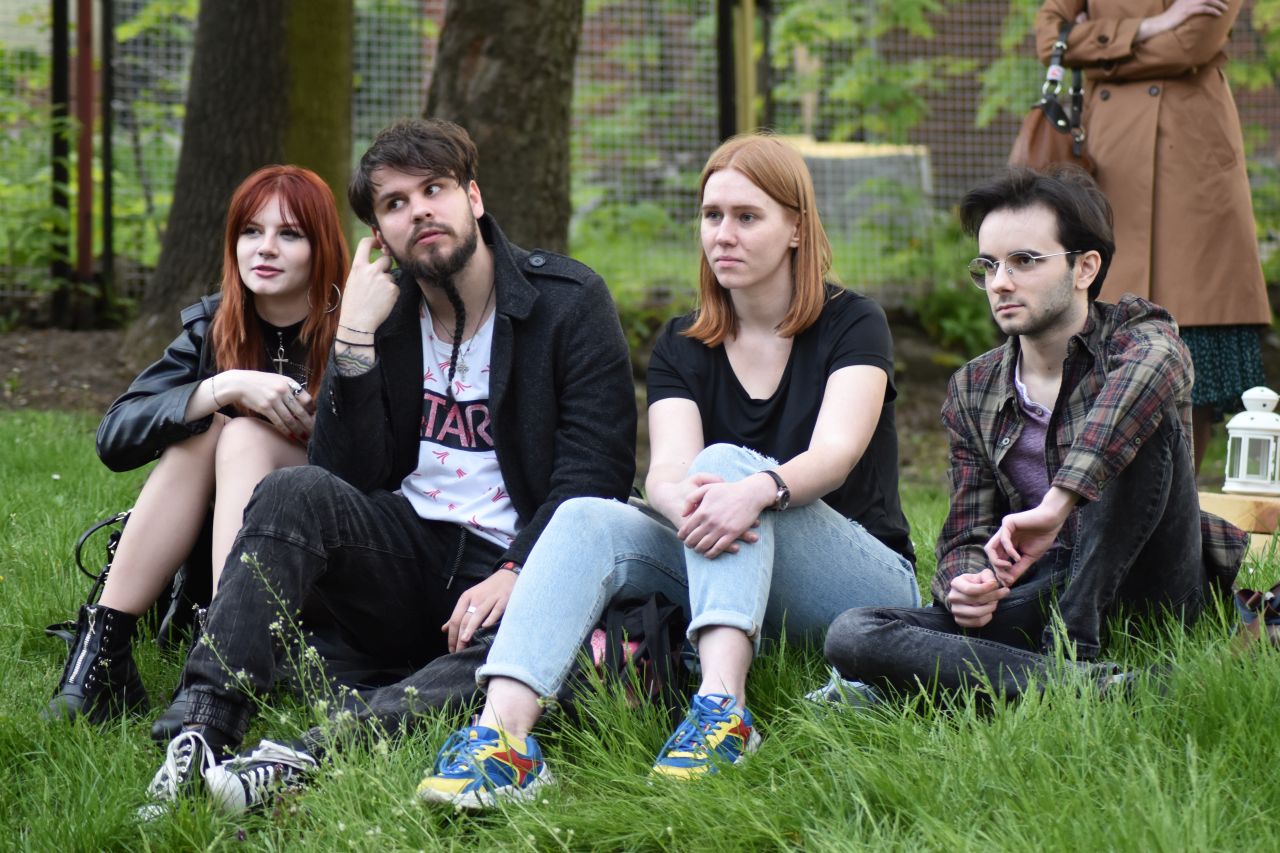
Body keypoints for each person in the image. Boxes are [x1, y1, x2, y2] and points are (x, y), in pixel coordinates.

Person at [413, 132, 921, 811]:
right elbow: (666, 476)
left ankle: (723, 712)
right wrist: (698, 506)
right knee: (586, 514)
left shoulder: (853, 322)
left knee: (724, 465)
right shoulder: (684, 342)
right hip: (736, 568)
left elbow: (836, 454)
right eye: (712, 216)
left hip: (863, 591)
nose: (723, 234)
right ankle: (502, 740)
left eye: (747, 217)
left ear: (797, 228)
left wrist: (752, 490)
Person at [142, 118, 637, 812]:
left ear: (473, 197)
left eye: (434, 189)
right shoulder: (384, 315)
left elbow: (596, 471)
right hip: (404, 556)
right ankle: (198, 730)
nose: (419, 211)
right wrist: (353, 338)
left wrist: (518, 569)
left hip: (516, 565)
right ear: (379, 234)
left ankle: (301, 756)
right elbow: (342, 476)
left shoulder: (566, 302)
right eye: (396, 203)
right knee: (292, 491)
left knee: (565, 647)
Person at [823, 166, 1247, 704]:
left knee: (1141, 414)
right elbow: (966, 532)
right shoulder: (974, 387)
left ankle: (1065, 650)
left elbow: (1157, 369)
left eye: (1024, 260)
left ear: (1084, 267)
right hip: (1045, 591)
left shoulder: (1137, 337)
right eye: (988, 265)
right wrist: (967, 583)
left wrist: (1057, 503)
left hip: (1156, 582)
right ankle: (1097, 686)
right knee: (855, 633)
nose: (1000, 282)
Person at [43, 165, 349, 728]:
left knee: (243, 434)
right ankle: (103, 656)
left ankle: (225, 654)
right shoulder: (215, 325)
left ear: (322, 246)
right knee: (206, 425)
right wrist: (222, 386)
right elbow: (115, 439)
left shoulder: (358, 326)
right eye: (251, 231)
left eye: (289, 234)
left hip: (326, 556)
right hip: (220, 563)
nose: (265, 248)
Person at [1035, 0, 1271, 470]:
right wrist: (1151, 26)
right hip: (1108, 164)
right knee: (1102, 332)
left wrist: (1098, 45)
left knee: (1195, 331)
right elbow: (1050, 38)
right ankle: (1091, 494)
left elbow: (1192, 45)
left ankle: (1178, 495)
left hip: (1190, 168)